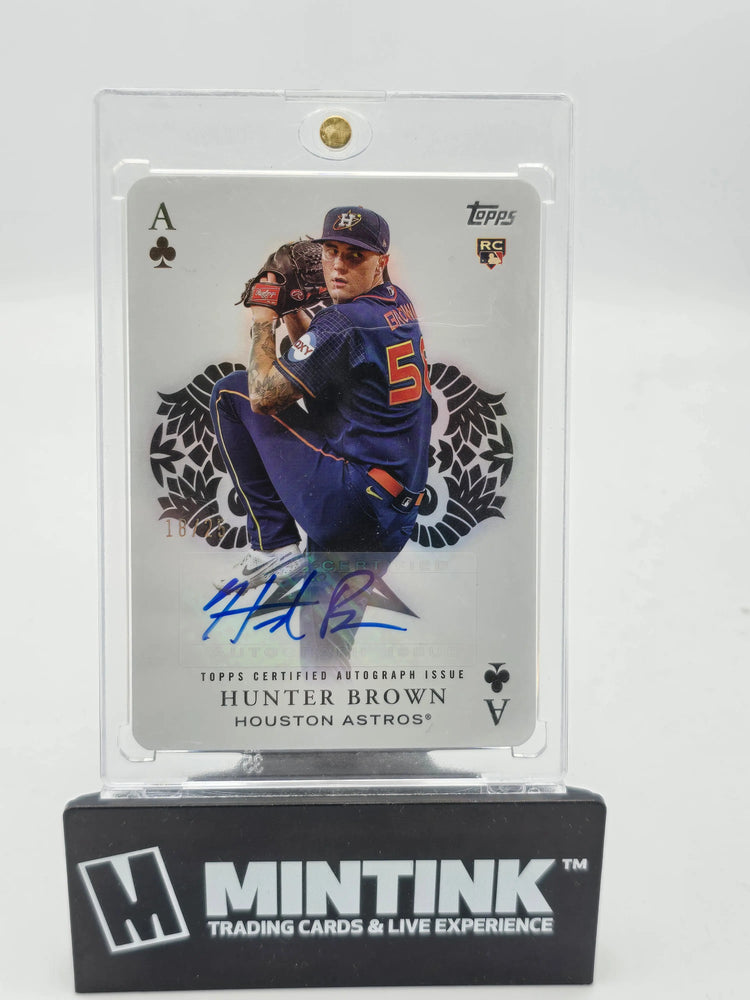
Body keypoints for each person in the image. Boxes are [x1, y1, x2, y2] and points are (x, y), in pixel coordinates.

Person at [209, 206, 432, 592]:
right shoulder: (397, 303)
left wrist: (264, 317)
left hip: (352, 505)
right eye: (331, 251)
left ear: (381, 262)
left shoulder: (344, 321)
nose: (338, 266)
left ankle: (273, 545)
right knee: (324, 630)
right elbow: (325, 363)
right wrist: (293, 311)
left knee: (232, 392)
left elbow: (263, 397)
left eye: (355, 255)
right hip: (391, 518)